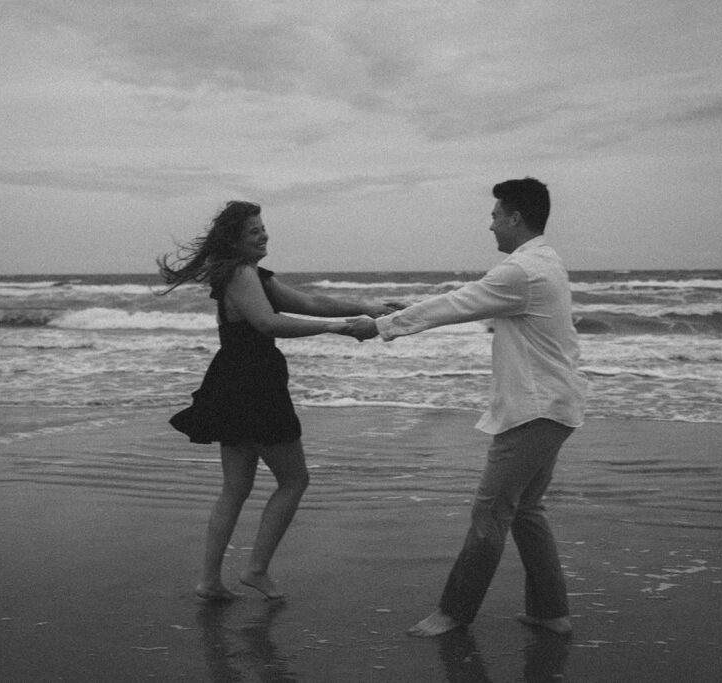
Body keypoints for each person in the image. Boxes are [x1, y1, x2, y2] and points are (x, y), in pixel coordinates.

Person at [348, 178, 586, 636]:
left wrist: (381, 325)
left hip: (534, 410)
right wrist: (408, 311)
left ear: (516, 217)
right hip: (556, 403)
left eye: (496, 215)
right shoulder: (545, 262)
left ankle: (454, 612)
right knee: (527, 509)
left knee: (490, 513)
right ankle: (550, 612)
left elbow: (461, 302)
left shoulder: (522, 272)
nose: (490, 223)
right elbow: (475, 302)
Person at [158, 200, 397, 602]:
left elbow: (308, 303)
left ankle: (210, 580)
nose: (264, 234)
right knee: (294, 480)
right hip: (255, 385)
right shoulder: (241, 273)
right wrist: (339, 328)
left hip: (233, 381)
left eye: (263, 227)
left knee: (235, 487)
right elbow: (268, 323)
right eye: (254, 230)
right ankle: (255, 570)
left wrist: (366, 306)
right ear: (235, 239)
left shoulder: (248, 274)